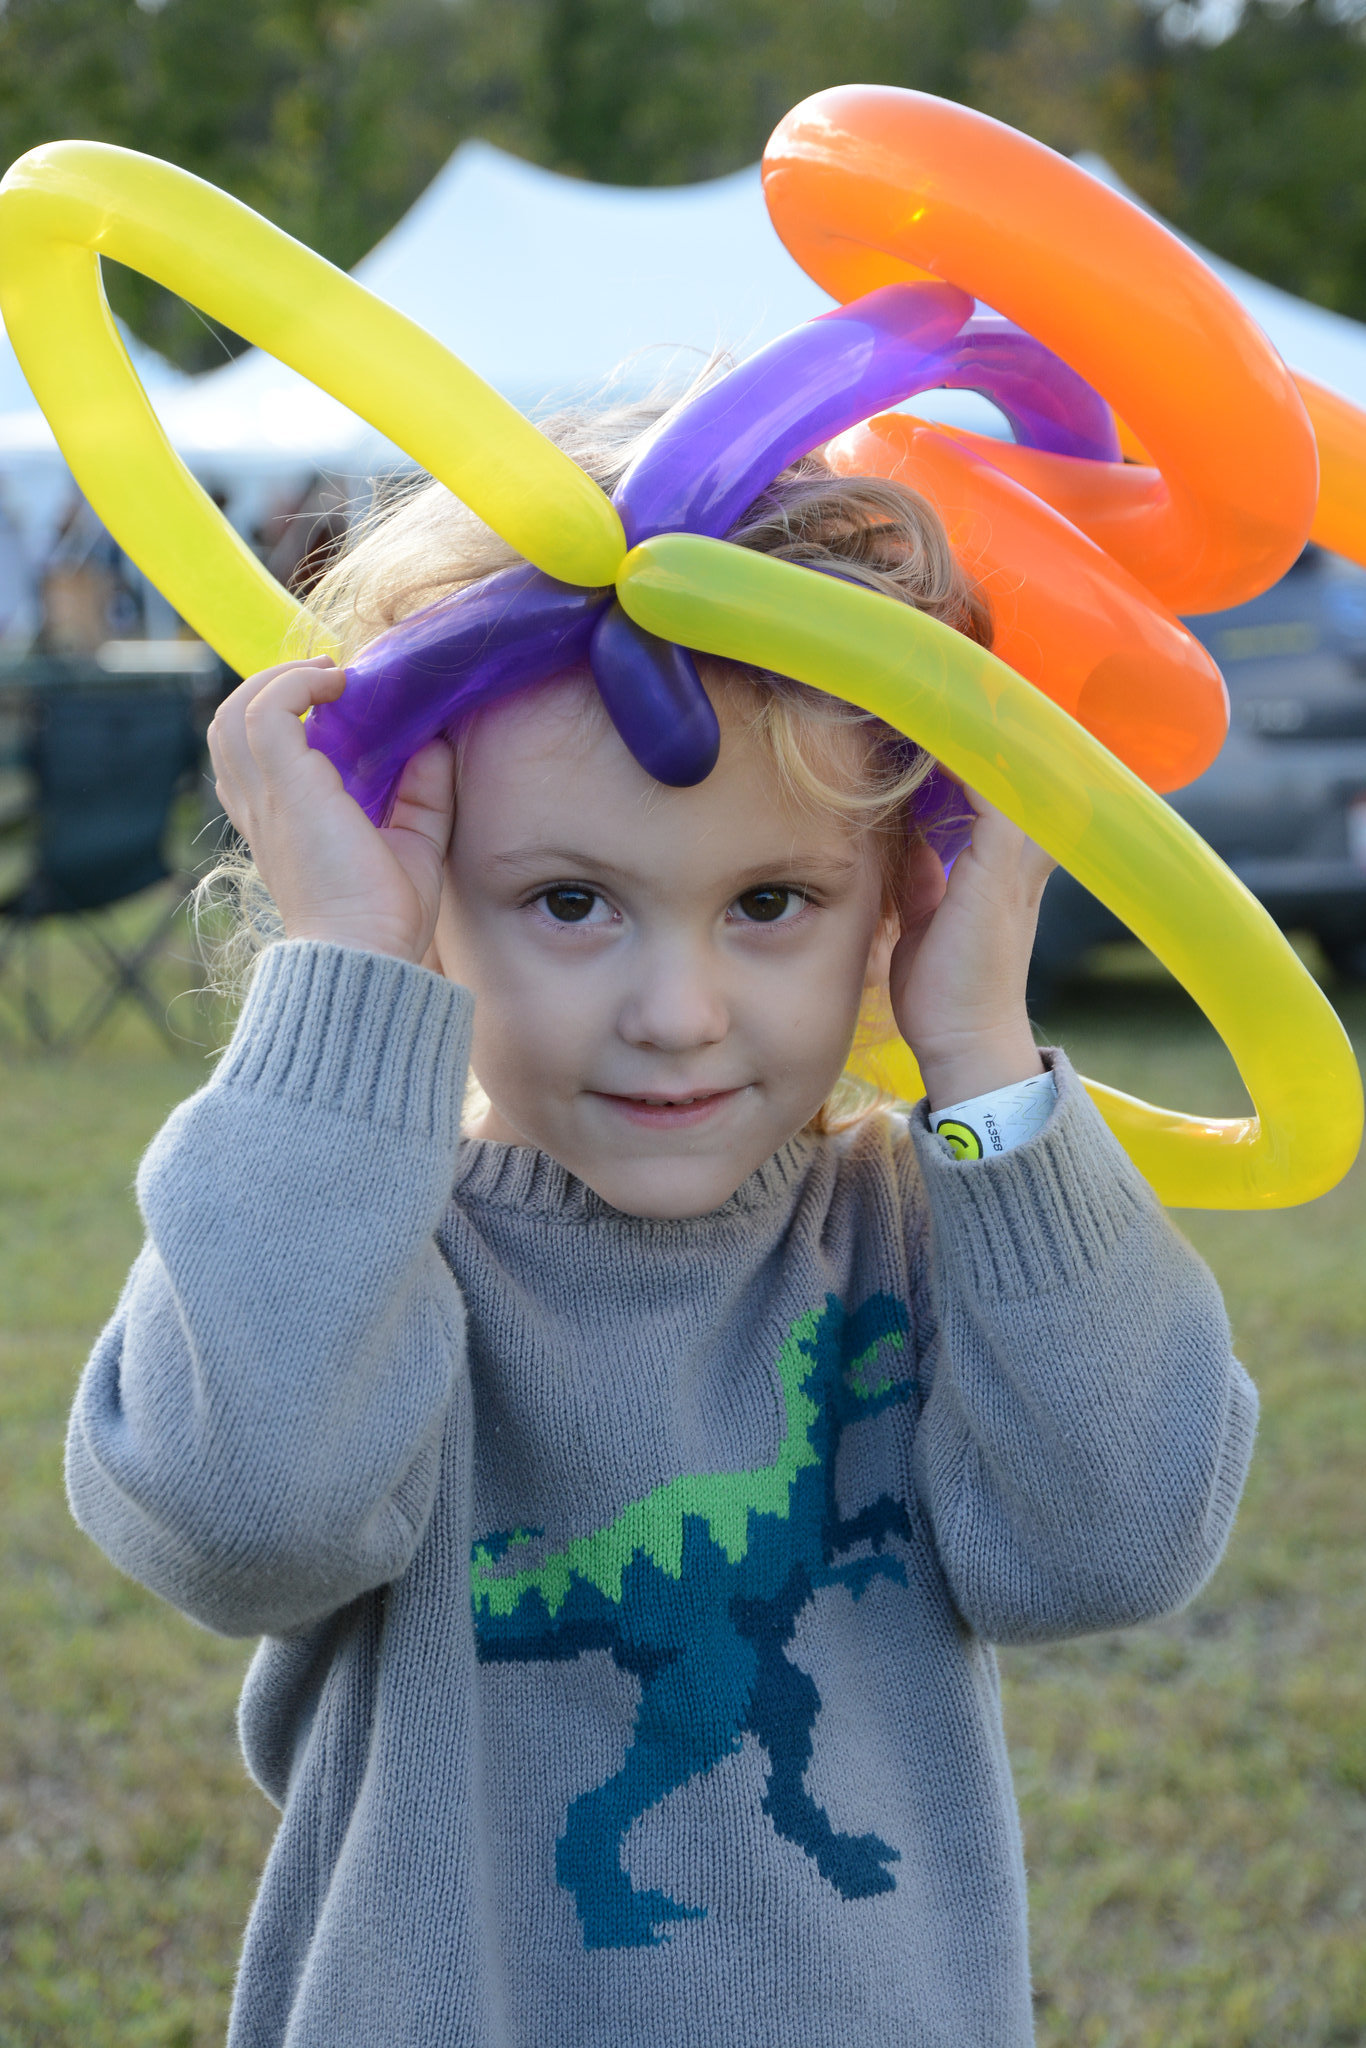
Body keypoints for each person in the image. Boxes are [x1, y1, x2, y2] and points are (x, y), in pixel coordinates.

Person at [64, 394, 1257, 2048]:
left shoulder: (918, 1234)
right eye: (570, 902)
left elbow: (1110, 1544)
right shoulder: (362, 1239)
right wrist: (342, 972)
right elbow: (238, 1517)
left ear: (895, 893)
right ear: (423, 886)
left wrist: (980, 1044)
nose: (679, 1011)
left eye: (770, 902)